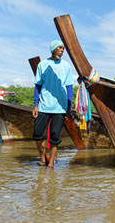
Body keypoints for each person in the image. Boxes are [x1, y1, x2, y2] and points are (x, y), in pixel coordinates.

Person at [32, 40, 75, 168]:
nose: (62, 50)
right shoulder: (43, 65)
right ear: (53, 49)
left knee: (55, 136)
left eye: (63, 48)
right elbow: (38, 85)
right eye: (60, 48)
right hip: (44, 105)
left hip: (60, 107)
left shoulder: (66, 66)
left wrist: (68, 107)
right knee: (38, 133)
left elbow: (69, 87)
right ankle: (43, 159)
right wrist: (35, 104)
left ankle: (51, 164)